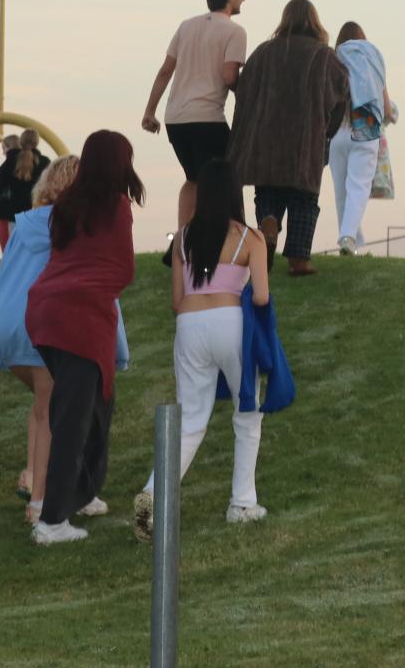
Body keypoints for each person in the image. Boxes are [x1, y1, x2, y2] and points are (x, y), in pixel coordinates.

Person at [0, 154, 130, 522]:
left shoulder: (24, 224)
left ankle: (47, 485)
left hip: (6, 323)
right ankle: (43, 504)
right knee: (54, 413)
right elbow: (95, 286)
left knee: (43, 409)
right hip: (43, 322)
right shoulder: (74, 229)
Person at [133, 158, 272, 539]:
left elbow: (177, 301)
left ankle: (151, 492)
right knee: (247, 413)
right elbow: (260, 296)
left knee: (191, 421)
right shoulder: (250, 238)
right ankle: (242, 502)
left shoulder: (182, 239)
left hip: (189, 327)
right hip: (232, 324)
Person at [25, 130, 144, 545]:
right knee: (76, 421)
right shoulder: (117, 206)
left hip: (44, 313)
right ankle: (52, 520)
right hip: (81, 321)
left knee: (88, 410)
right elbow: (123, 268)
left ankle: (76, 497)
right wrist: (99, 288)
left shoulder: (66, 206)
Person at [228, 0, 350, 277]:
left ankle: (269, 223)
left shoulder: (262, 53)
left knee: (268, 191)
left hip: (265, 140)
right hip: (305, 140)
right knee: (304, 199)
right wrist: (326, 130)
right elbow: (341, 94)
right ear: (314, 21)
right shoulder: (323, 56)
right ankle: (298, 260)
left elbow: (243, 91)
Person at [142, 0, 249, 229]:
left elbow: (166, 70)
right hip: (208, 118)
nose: (243, 1)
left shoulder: (186, 26)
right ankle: (231, 231)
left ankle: (183, 234)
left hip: (175, 118)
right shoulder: (235, 32)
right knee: (227, 177)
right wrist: (248, 95)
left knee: (193, 179)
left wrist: (150, 111)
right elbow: (229, 76)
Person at [328, 21, 392, 256]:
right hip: (364, 129)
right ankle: (348, 237)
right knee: (358, 186)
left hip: (337, 133)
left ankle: (354, 240)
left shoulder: (334, 60)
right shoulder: (372, 62)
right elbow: (385, 109)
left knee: (341, 191)